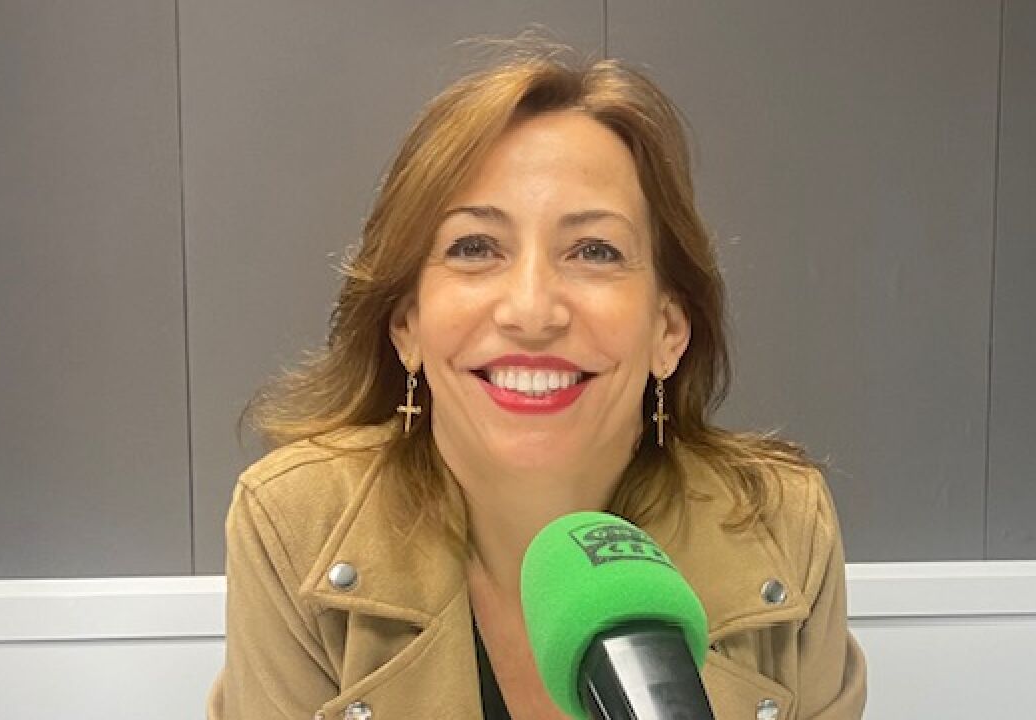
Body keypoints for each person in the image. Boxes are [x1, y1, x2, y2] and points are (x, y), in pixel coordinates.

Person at [208, 43, 866, 720]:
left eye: (594, 251)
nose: (531, 311)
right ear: (407, 325)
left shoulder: (784, 526)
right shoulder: (296, 525)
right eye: (475, 248)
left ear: (668, 331)